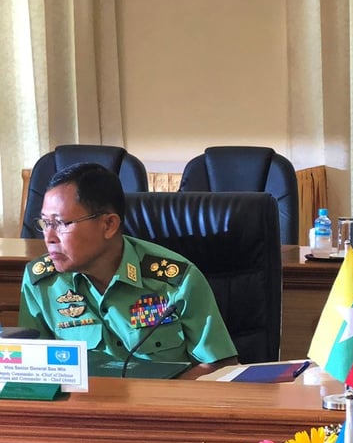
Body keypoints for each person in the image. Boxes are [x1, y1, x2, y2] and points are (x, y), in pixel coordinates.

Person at [19, 162, 238, 379]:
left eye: (61, 223)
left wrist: (157, 401)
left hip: (160, 409)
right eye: (45, 223)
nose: (49, 237)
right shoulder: (42, 283)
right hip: (81, 409)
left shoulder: (175, 281)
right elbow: (32, 369)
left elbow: (220, 365)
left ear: (108, 225)